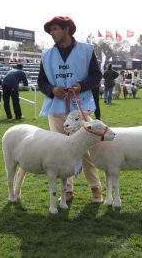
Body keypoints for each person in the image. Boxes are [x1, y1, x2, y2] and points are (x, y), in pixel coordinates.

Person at [37, 16, 103, 203]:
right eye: (50, 31)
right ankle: (67, 190)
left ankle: (95, 188)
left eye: (55, 29)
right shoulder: (46, 54)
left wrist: (81, 86)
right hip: (56, 109)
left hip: (80, 108)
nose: (52, 33)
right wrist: (52, 89)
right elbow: (41, 81)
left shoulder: (86, 50)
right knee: (60, 151)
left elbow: (96, 76)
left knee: (86, 151)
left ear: (66, 29)